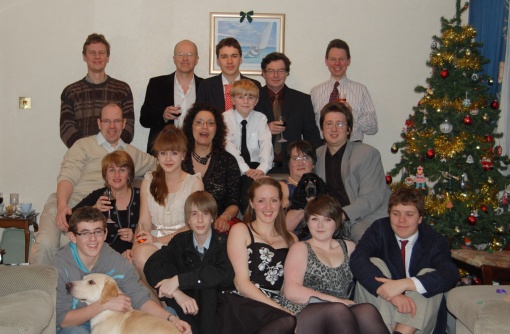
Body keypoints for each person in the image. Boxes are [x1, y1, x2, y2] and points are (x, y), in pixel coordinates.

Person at [30, 103, 157, 265]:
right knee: (45, 244)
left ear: (124, 124)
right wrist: (62, 205)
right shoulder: (82, 146)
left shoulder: (132, 154)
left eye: (117, 121)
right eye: (106, 121)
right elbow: (67, 177)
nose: (112, 126)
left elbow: (162, 166)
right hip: (69, 201)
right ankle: (37, 288)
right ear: (99, 123)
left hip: (101, 212)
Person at [53, 206, 191, 334]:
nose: (93, 239)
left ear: (105, 233)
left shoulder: (115, 260)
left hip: (115, 321)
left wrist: (172, 319)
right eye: (85, 233)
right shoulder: (61, 265)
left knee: (168, 312)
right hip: (78, 324)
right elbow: (62, 320)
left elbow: (140, 299)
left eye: (98, 231)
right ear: (72, 237)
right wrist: (104, 305)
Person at [350, 188, 458, 334]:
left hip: (419, 321)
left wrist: (405, 284)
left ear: (420, 218)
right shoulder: (379, 229)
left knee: (429, 275)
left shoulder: (434, 240)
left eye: (409, 214)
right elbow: (357, 259)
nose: (401, 220)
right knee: (374, 264)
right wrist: (392, 294)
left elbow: (450, 274)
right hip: (379, 317)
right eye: (396, 214)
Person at [279, 195, 389, 334]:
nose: (320, 225)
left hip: (339, 309)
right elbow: (291, 292)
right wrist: (337, 301)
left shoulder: (349, 247)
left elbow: (366, 271)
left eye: (327, 219)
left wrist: (393, 288)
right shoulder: (300, 248)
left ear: (336, 222)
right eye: (314, 219)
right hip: (301, 311)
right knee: (338, 310)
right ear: (307, 222)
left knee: (367, 310)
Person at [144, 191, 235, 334]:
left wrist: (180, 280)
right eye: (194, 214)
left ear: (212, 217)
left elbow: (226, 274)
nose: (199, 220)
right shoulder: (180, 241)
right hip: (186, 307)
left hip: (217, 307)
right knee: (168, 273)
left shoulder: (223, 242)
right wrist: (176, 291)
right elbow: (152, 264)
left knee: (207, 287)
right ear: (187, 219)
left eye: (205, 213)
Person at [217, 178, 297, 334]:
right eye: (261, 201)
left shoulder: (292, 239)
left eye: (273, 200)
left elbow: (291, 285)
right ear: (252, 204)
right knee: (285, 321)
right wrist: (280, 309)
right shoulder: (241, 230)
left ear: (281, 202)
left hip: (277, 306)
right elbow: (241, 283)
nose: (268, 207)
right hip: (243, 303)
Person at [130, 125, 203, 291]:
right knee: (134, 260)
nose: (168, 159)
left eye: (174, 153)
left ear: (183, 155)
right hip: (152, 243)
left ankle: (169, 301)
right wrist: (134, 247)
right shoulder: (148, 181)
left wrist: (157, 240)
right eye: (163, 153)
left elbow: (193, 225)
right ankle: (163, 306)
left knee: (143, 257)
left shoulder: (194, 183)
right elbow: (144, 223)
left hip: (183, 244)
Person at [315, 102, 390, 242]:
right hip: (332, 220)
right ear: (322, 129)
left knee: (361, 237)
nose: (334, 129)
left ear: (349, 129)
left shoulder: (366, 153)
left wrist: (341, 215)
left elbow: (372, 197)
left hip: (366, 217)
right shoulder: (316, 155)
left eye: (340, 124)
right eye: (329, 124)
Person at [60, 33, 134, 148]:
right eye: (92, 53)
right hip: (83, 159)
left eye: (101, 53)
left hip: (114, 158)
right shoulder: (71, 92)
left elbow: (128, 126)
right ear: (84, 57)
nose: (97, 57)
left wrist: (112, 149)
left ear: (108, 57)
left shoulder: (122, 89)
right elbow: (66, 128)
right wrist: (86, 150)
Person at [258, 52, 322, 174]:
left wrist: (315, 164)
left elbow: (312, 136)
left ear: (287, 73)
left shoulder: (302, 100)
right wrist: (264, 130)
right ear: (263, 73)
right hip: (259, 168)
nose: (276, 75)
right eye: (271, 71)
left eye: (281, 71)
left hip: (293, 169)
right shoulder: (251, 100)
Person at [182, 103, 241, 232]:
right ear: (190, 127)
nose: (204, 127)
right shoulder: (180, 160)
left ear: (217, 129)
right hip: (183, 227)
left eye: (210, 123)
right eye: (199, 122)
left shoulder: (228, 161)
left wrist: (225, 217)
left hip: (218, 226)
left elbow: (234, 203)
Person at [140, 40, 203, 153]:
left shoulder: (205, 86)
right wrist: (163, 115)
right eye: (180, 54)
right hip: (163, 151)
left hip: (196, 152)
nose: (185, 58)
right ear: (174, 59)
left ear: (196, 59)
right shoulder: (157, 84)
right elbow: (144, 120)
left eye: (190, 54)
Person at [72, 151, 140, 254]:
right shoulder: (98, 195)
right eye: (112, 170)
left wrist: (134, 238)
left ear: (129, 174)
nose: (117, 175)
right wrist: (94, 209)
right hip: (103, 256)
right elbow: (70, 219)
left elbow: (152, 231)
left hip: (135, 253)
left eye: (122, 170)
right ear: (105, 175)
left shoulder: (141, 196)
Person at [310, 39, 377, 142]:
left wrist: (351, 113)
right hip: (323, 150)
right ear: (326, 61)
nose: (337, 63)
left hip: (353, 149)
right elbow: (310, 126)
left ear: (348, 61)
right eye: (333, 59)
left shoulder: (361, 90)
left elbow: (373, 128)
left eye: (341, 59)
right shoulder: (315, 92)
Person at [223, 79, 273, 213]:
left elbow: (266, 143)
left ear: (256, 101)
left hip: (255, 167)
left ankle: (252, 221)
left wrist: (262, 168)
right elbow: (229, 146)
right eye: (240, 97)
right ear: (232, 100)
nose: (245, 102)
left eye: (250, 98)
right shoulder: (225, 118)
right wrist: (245, 169)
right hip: (233, 165)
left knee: (252, 193)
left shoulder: (261, 118)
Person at [196, 37, 262, 112]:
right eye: (224, 57)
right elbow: (199, 116)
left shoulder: (255, 85)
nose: (229, 61)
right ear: (218, 61)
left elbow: (259, 116)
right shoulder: (206, 86)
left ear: (240, 59)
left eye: (234, 56)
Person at [279, 140, 317, 230]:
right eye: (295, 159)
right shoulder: (282, 187)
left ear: (313, 164)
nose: (300, 163)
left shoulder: (320, 185)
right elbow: (284, 227)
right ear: (289, 164)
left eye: (305, 158)